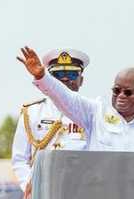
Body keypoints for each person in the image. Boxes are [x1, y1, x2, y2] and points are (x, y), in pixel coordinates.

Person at [16, 46, 134, 153]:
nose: (120, 96)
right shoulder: (95, 112)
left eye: (128, 92)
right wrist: (42, 76)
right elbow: (66, 97)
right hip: (101, 197)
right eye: (116, 90)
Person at [10, 49, 90, 191]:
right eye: (58, 74)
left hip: (80, 190)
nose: (65, 79)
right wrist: (31, 186)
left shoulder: (91, 112)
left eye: (71, 74)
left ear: (81, 80)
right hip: (41, 191)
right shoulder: (32, 112)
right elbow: (20, 159)